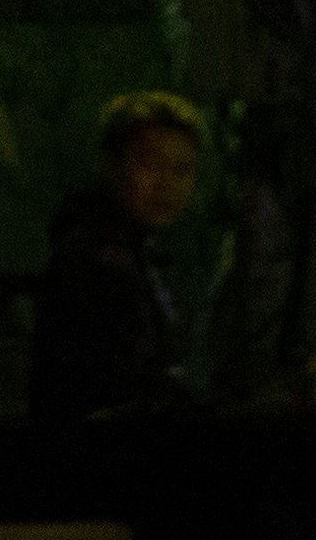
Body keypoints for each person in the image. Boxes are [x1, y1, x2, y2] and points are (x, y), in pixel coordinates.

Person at [27, 88, 206, 422]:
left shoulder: (139, 250)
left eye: (181, 169)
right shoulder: (99, 260)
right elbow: (115, 385)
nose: (166, 183)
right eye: (150, 164)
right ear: (113, 165)